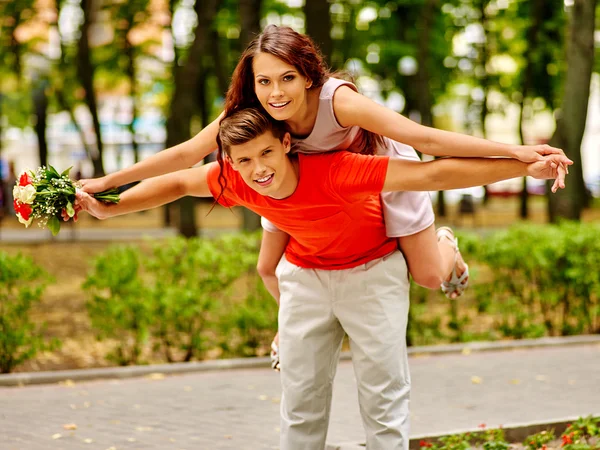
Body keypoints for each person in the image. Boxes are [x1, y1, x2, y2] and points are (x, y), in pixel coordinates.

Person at [74, 108, 569, 450]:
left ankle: (447, 245)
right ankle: (285, 335)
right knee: (301, 402)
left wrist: (521, 165)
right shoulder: (232, 177)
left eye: (265, 154)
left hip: (372, 274)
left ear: (287, 143)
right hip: (307, 278)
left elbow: (431, 175)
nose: (256, 170)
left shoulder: (338, 169)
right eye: (242, 161)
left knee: (384, 399)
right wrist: (106, 204)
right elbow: (179, 180)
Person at [76, 25, 571, 366]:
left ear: (308, 75)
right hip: (290, 187)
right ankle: (287, 331)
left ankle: (448, 247)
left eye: (287, 78)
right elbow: (184, 160)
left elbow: (428, 144)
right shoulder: (255, 116)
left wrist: (517, 154)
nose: (275, 92)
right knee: (268, 268)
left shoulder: (341, 102)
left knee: (426, 275)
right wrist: (107, 185)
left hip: (375, 176)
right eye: (264, 80)